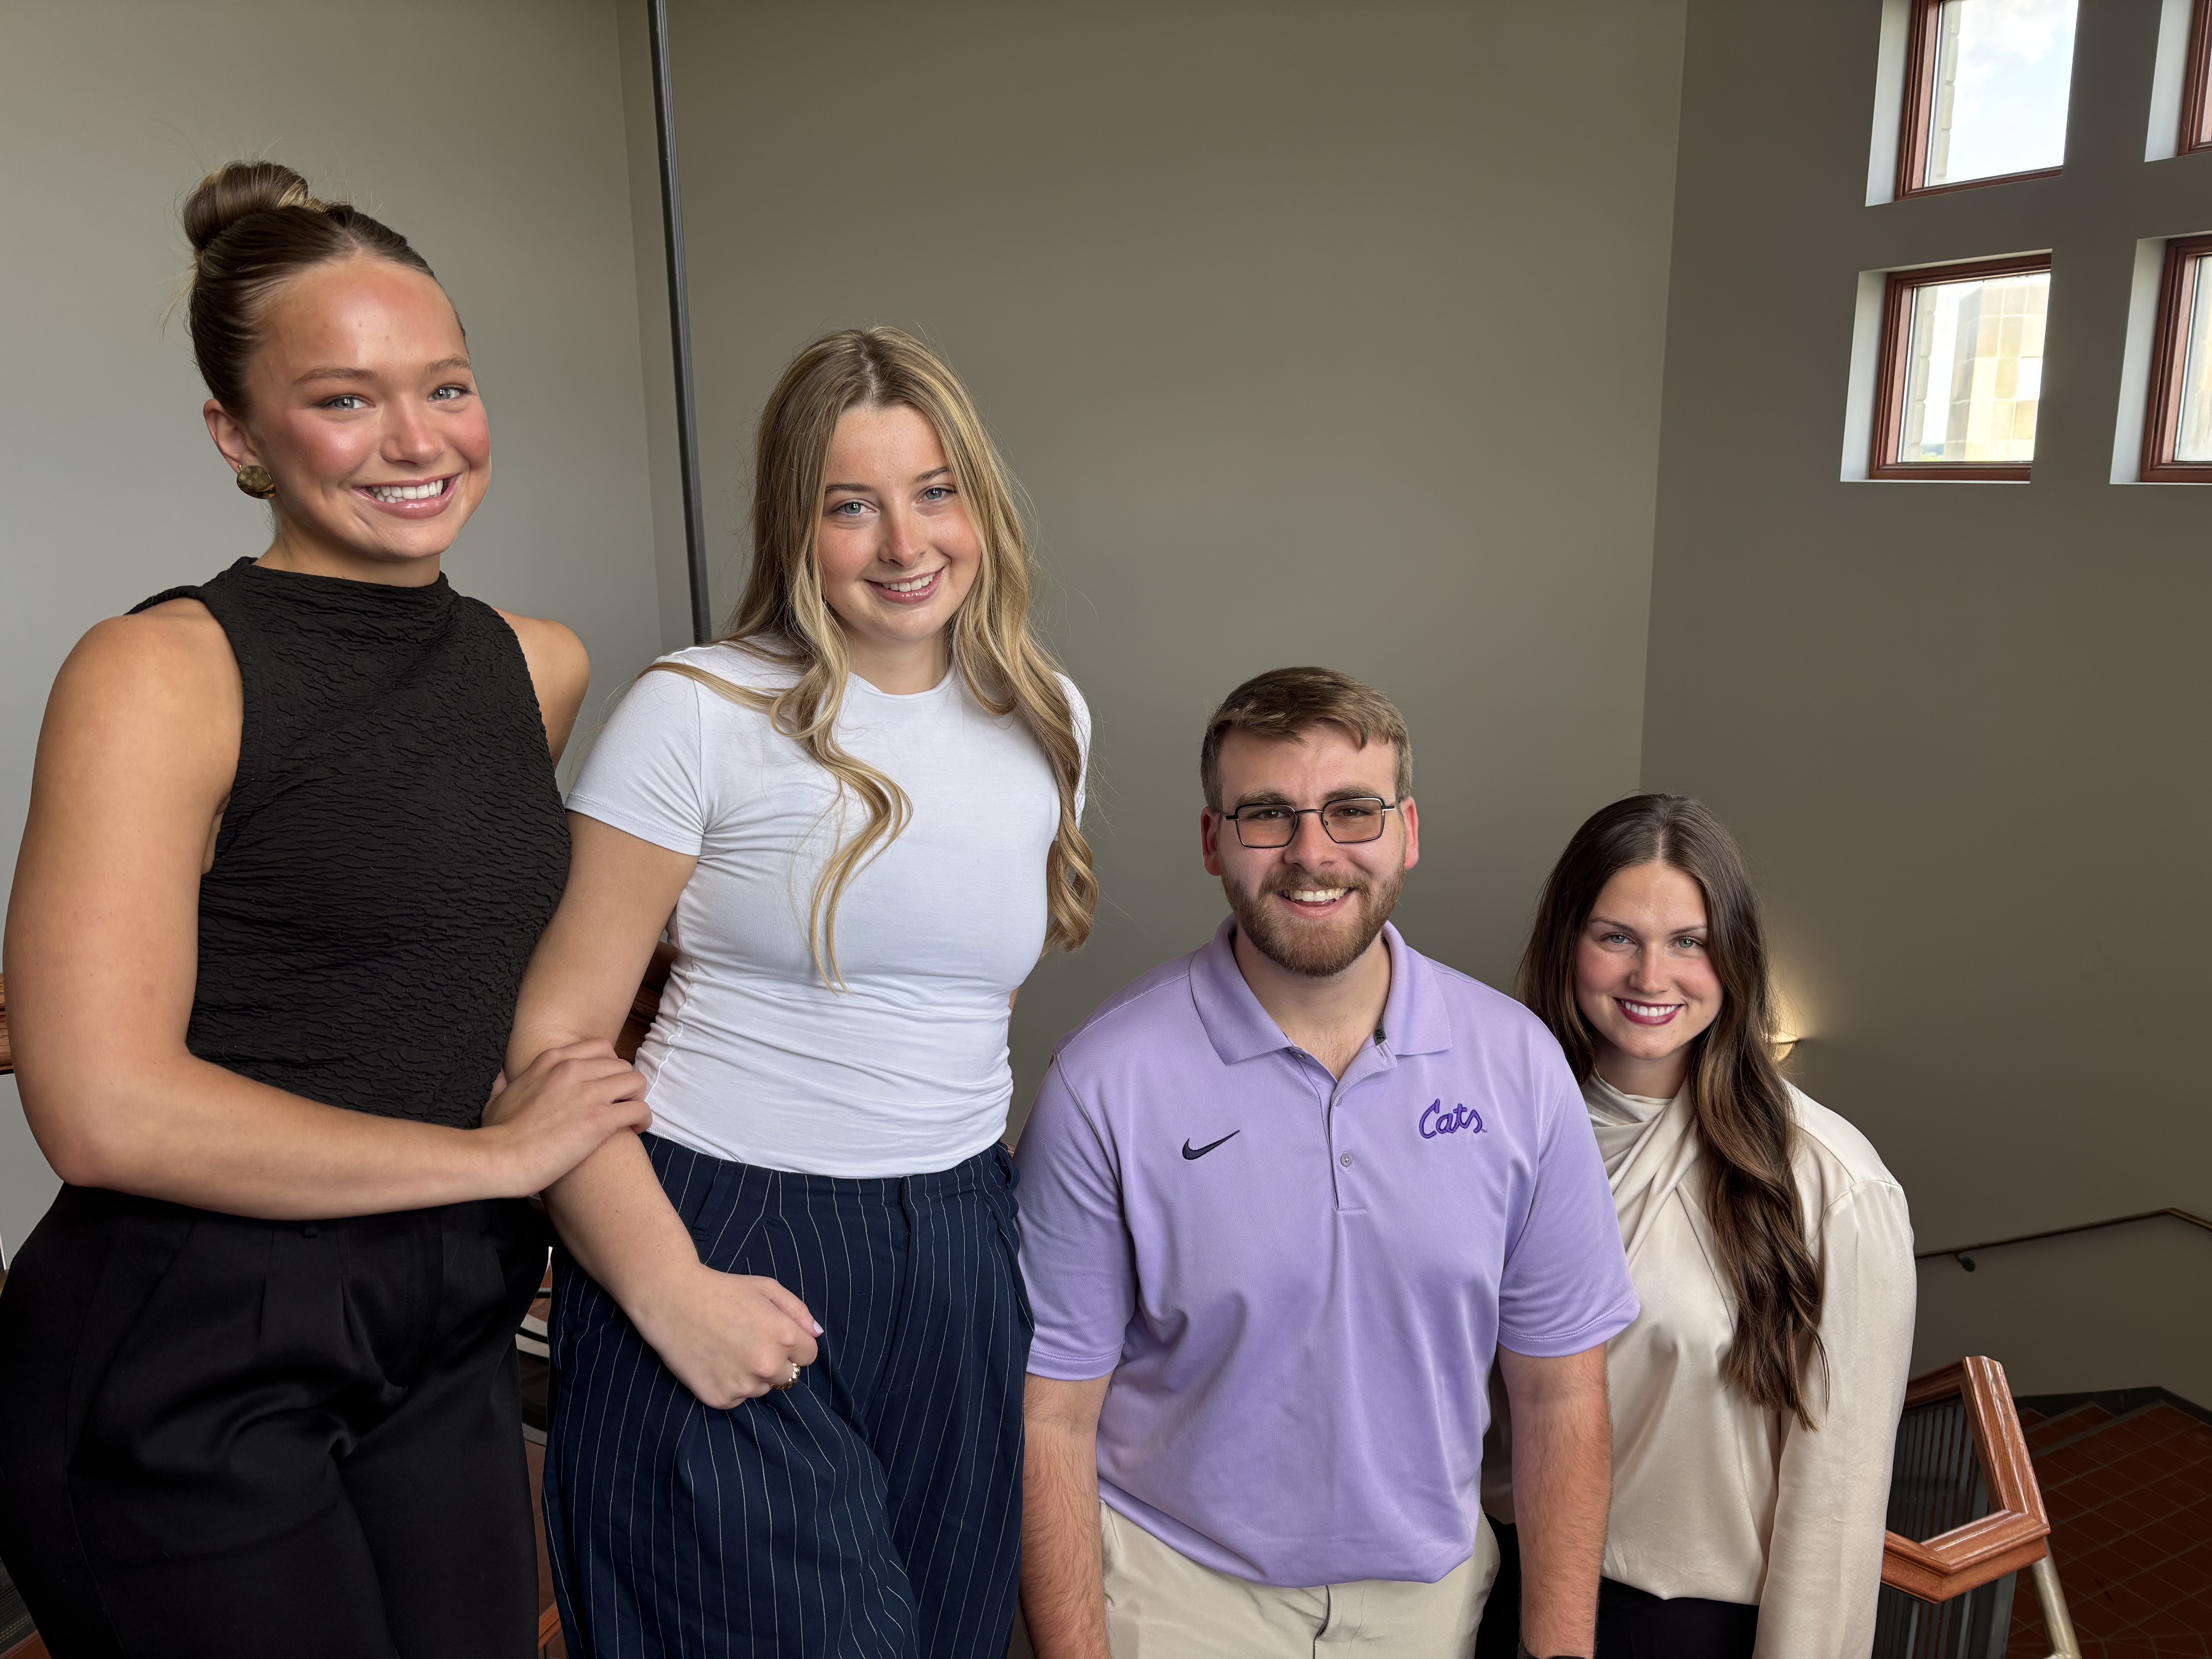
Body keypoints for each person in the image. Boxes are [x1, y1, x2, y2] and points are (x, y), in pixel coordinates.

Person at [0, 161, 650, 1659]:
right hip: (194, 1334)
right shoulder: (158, 672)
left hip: (445, 1318)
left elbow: (425, 952)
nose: (418, 442)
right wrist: (499, 1155)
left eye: (449, 386)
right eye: (346, 399)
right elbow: (100, 1107)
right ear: (237, 435)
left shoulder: (534, 664)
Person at [499, 327, 1094, 1659]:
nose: (904, 541)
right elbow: (547, 1039)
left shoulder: (1047, 715)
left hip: (955, 1238)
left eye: (935, 490)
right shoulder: (698, 711)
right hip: (727, 1219)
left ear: (980, 503)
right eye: (850, 503)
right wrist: (666, 1288)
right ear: (795, 523)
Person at [1015, 666, 1637, 1659]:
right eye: (1267, 815)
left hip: (1429, 1605)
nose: (1313, 854)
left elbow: (1559, 1390)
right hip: (1173, 1596)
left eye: (1353, 811)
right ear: (1215, 840)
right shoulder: (1105, 1083)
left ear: (1408, 832)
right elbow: (1048, 1415)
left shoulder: (1519, 1067)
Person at [1482, 793, 1914, 1658]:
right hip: (1493, 1595)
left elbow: (1836, 1506)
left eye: (1690, 941)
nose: (1652, 977)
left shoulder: (1833, 1184)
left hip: (1684, 1627)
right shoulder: (1490, 1133)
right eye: (1616, 937)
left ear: (1737, 957)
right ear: (1567, 943)